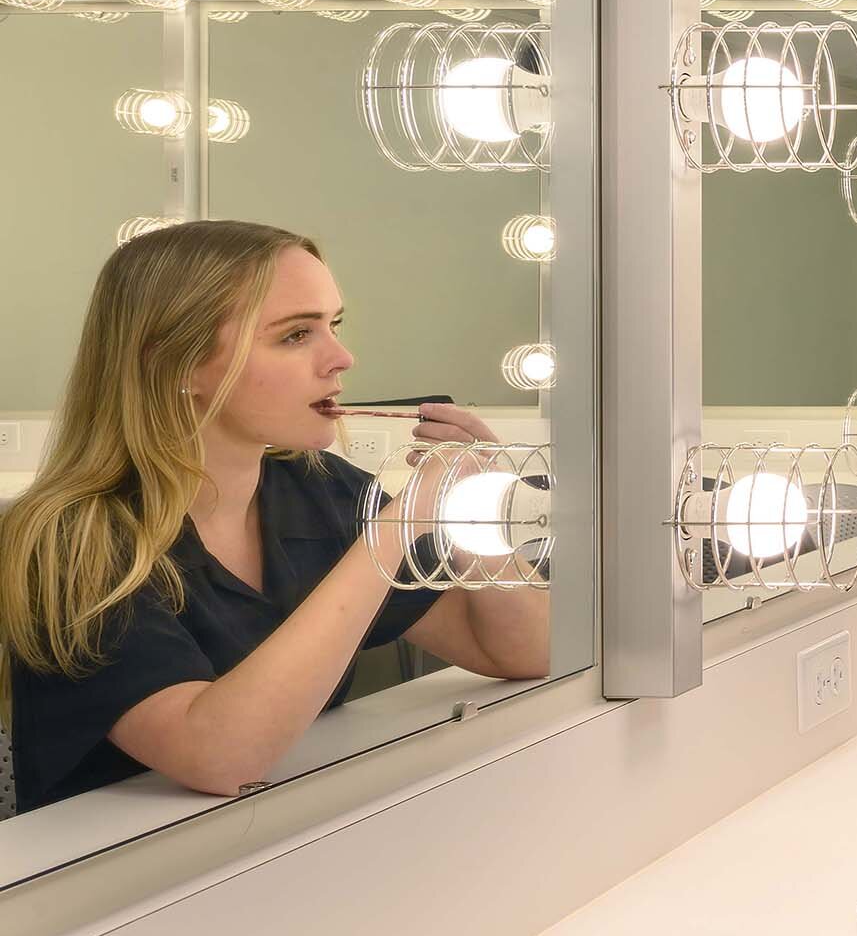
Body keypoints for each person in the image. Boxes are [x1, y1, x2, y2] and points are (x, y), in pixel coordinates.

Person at [2, 221, 551, 813]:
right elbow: (219, 757)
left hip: (281, 841)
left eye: (333, 325)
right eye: (295, 336)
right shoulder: (68, 538)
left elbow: (525, 653)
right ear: (175, 362)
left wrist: (473, 513)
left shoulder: (322, 491)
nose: (342, 358)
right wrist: (396, 529)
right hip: (110, 879)